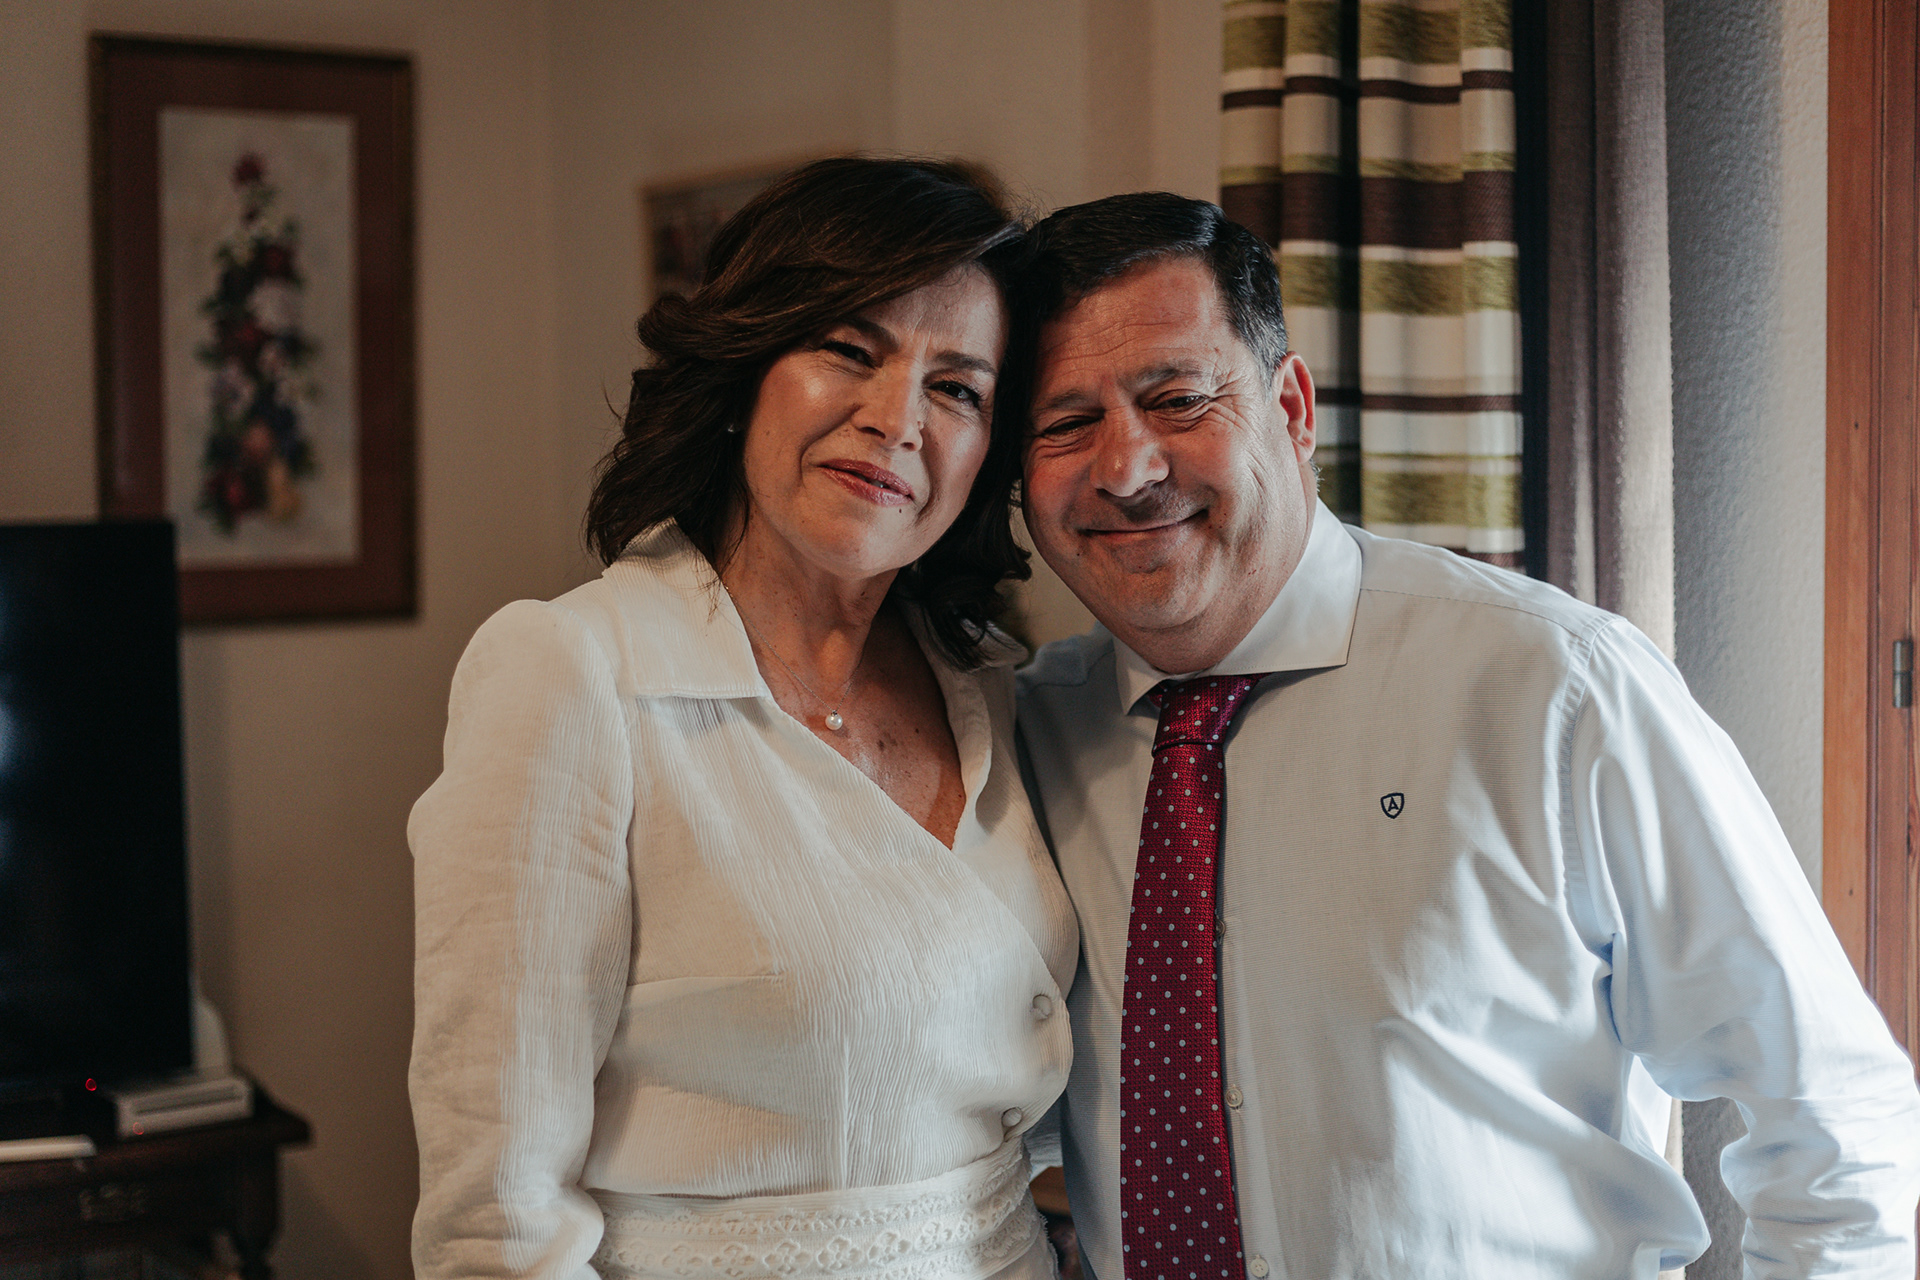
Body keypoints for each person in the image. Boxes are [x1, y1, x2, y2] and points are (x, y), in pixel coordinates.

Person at [1010, 192, 1920, 1280]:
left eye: (1177, 399)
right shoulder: (1024, 737)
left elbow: (1828, 1114)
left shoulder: (1554, 685)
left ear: (1291, 408)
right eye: (1065, 424)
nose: (1125, 467)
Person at [408, 157, 1077, 1280]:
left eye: (958, 389)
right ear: (743, 368)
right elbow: (498, 1222)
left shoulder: (995, 687)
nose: (897, 420)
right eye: (850, 350)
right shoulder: (572, 673)